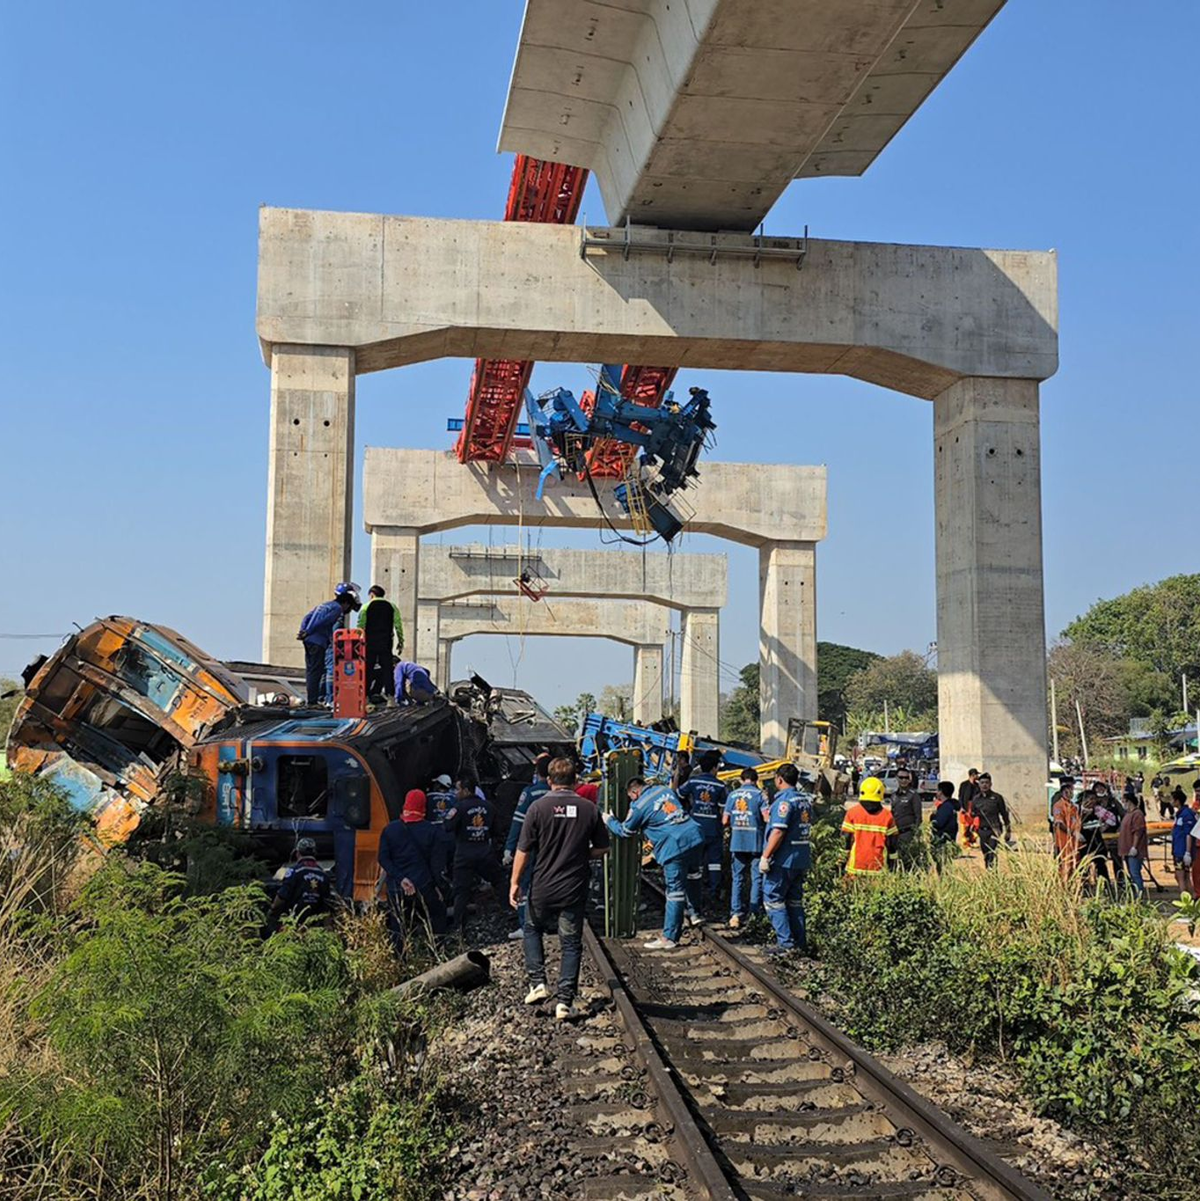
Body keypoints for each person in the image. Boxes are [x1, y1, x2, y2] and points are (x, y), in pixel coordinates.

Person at [511, 757, 609, 1020]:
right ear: (575, 781)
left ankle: (538, 982)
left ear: (550, 780)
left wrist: (515, 882)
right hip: (573, 888)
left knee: (532, 928)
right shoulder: (588, 809)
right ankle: (564, 1002)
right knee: (570, 943)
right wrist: (580, 854)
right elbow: (602, 848)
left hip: (542, 885)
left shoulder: (537, 808)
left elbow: (523, 850)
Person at [604, 776, 705, 950]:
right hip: (694, 835)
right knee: (693, 875)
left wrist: (609, 820)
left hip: (674, 845)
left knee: (674, 892)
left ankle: (670, 938)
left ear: (635, 792)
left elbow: (625, 831)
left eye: (631, 797)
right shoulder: (664, 790)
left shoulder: (639, 806)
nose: (631, 800)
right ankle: (695, 913)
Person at [378, 790, 447, 948]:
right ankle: (436, 950)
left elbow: (383, 859)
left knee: (397, 924)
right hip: (424, 885)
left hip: (397, 886)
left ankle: (399, 960)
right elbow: (437, 865)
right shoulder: (432, 831)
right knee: (437, 914)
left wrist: (401, 879)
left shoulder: (390, 829)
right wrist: (438, 887)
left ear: (405, 805)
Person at [759, 764, 812, 956]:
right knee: (794, 901)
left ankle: (786, 944)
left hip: (784, 859)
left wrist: (765, 856)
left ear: (779, 779)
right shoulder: (804, 799)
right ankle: (800, 942)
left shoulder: (784, 802)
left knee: (773, 898)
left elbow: (779, 831)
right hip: (801, 858)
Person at [445, 775, 504, 932]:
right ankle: (507, 909)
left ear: (465, 790)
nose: (456, 793)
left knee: (461, 890)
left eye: (457, 789)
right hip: (484, 852)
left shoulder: (459, 807)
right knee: (499, 881)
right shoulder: (489, 806)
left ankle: (459, 925)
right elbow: (497, 831)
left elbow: (447, 826)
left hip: (464, 854)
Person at [503, 754, 552, 941]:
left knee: (524, 884)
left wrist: (509, 848)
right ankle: (544, 921)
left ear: (536, 771)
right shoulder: (558, 793)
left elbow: (518, 821)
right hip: (552, 847)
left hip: (532, 846)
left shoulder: (530, 793)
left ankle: (526, 925)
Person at [296, 585, 360, 704]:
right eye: (349, 608)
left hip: (309, 640)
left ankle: (312, 700)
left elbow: (307, 617)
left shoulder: (324, 605)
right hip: (318, 641)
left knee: (311, 671)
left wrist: (303, 631)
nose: (348, 611)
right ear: (346, 603)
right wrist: (308, 631)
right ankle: (312, 702)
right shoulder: (337, 609)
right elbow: (324, 621)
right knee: (317, 672)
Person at [677, 750, 727, 897]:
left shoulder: (693, 781)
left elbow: (679, 794)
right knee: (714, 862)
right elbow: (723, 809)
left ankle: (695, 892)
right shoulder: (720, 786)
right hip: (713, 828)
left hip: (695, 826)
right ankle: (714, 891)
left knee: (696, 860)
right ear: (713, 768)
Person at [723, 767, 765, 928]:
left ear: (742, 780)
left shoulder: (732, 795)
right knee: (756, 878)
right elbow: (767, 817)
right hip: (756, 842)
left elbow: (725, 821)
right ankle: (754, 914)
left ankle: (735, 914)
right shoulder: (760, 795)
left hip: (737, 842)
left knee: (737, 878)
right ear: (755, 780)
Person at [263, 838, 333, 935]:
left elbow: (281, 897)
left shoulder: (294, 872)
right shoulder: (324, 875)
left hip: (292, 925)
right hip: (313, 928)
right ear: (314, 853)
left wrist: (272, 912)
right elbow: (326, 906)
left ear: (297, 853)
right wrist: (328, 929)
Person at [356, 585, 405, 703]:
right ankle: (391, 698)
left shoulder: (366, 607)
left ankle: (365, 697)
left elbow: (360, 625)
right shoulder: (392, 606)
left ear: (372, 594)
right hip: (386, 642)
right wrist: (401, 641)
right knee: (387, 669)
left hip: (370, 642)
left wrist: (358, 641)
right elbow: (398, 624)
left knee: (368, 669)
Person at [842, 777, 899, 876]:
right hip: (877, 869)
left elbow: (845, 839)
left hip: (855, 868)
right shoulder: (887, 816)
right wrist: (893, 864)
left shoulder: (852, 813)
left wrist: (841, 861)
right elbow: (892, 844)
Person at [972, 773, 1012, 869]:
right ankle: (988, 871)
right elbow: (973, 814)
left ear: (990, 784)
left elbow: (1004, 814)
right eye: (982, 783)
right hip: (982, 830)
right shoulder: (976, 799)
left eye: (986, 783)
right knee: (985, 853)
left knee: (991, 852)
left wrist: (1008, 830)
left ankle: (993, 872)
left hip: (994, 829)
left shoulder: (997, 797)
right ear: (979, 785)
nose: (984, 785)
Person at [1050, 776, 1082, 881]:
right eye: (1069, 790)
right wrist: (1071, 833)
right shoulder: (1059, 804)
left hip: (1075, 842)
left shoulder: (1073, 806)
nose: (1071, 793)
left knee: (1075, 865)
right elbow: (1058, 822)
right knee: (1065, 866)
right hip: (1064, 841)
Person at [889, 768, 924, 866]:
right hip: (895, 833)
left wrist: (915, 834)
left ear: (909, 780)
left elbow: (918, 816)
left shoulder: (913, 795)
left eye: (906, 778)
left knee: (908, 861)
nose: (903, 780)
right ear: (897, 778)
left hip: (908, 833)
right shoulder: (894, 795)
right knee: (895, 860)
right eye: (901, 777)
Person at [1092, 781, 1125, 884]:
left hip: (1113, 836)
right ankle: (1103, 882)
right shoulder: (1092, 803)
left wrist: (1121, 828)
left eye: (1101, 788)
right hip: (1098, 837)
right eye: (1097, 788)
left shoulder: (1113, 801)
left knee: (1117, 860)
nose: (1099, 790)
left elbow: (1123, 814)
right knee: (1100, 861)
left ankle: (1120, 881)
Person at [1118, 791, 1149, 899]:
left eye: (1124, 801)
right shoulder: (1128, 814)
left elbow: (1138, 831)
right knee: (1132, 873)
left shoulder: (1137, 814)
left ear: (1129, 801)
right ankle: (1135, 896)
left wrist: (1134, 847)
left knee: (1135, 873)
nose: (1123, 804)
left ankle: (1139, 897)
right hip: (1127, 849)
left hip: (1134, 849)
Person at [929, 781, 960, 873]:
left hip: (943, 841)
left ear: (941, 792)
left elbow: (938, 823)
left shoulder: (946, 807)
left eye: (937, 790)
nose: (936, 792)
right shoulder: (951, 805)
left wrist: (933, 817)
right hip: (948, 839)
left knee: (942, 867)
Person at [1171, 787, 1197, 897]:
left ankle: (1186, 900)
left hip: (1182, 852)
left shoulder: (1186, 814)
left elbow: (1188, 834)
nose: (1171, 802)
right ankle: (1192, 899)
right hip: (1178, 850)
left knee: (1181, 876)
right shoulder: (1179, 814)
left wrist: (1187, 852)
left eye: (1172, 799)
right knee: (1183, 876)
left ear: (1177, 801)